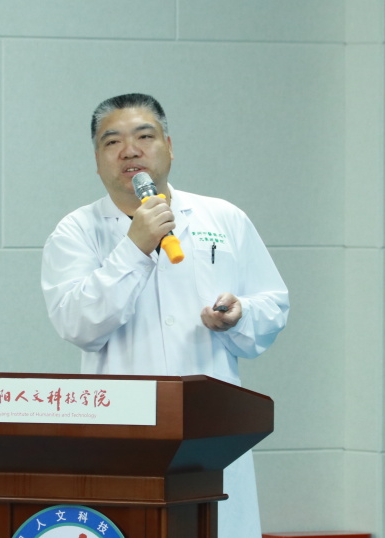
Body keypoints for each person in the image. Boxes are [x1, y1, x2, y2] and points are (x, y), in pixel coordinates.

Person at [41, 93, 290, 537]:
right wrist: (135, 246)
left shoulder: (223, 218)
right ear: (97, 160)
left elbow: (272, 304)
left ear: (169, 147)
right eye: (112, 142)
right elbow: (77, 324)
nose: (130, 151)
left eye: (144, 137)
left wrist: (240, 314)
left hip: (211, 430)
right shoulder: (76, 231)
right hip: (122, 431)